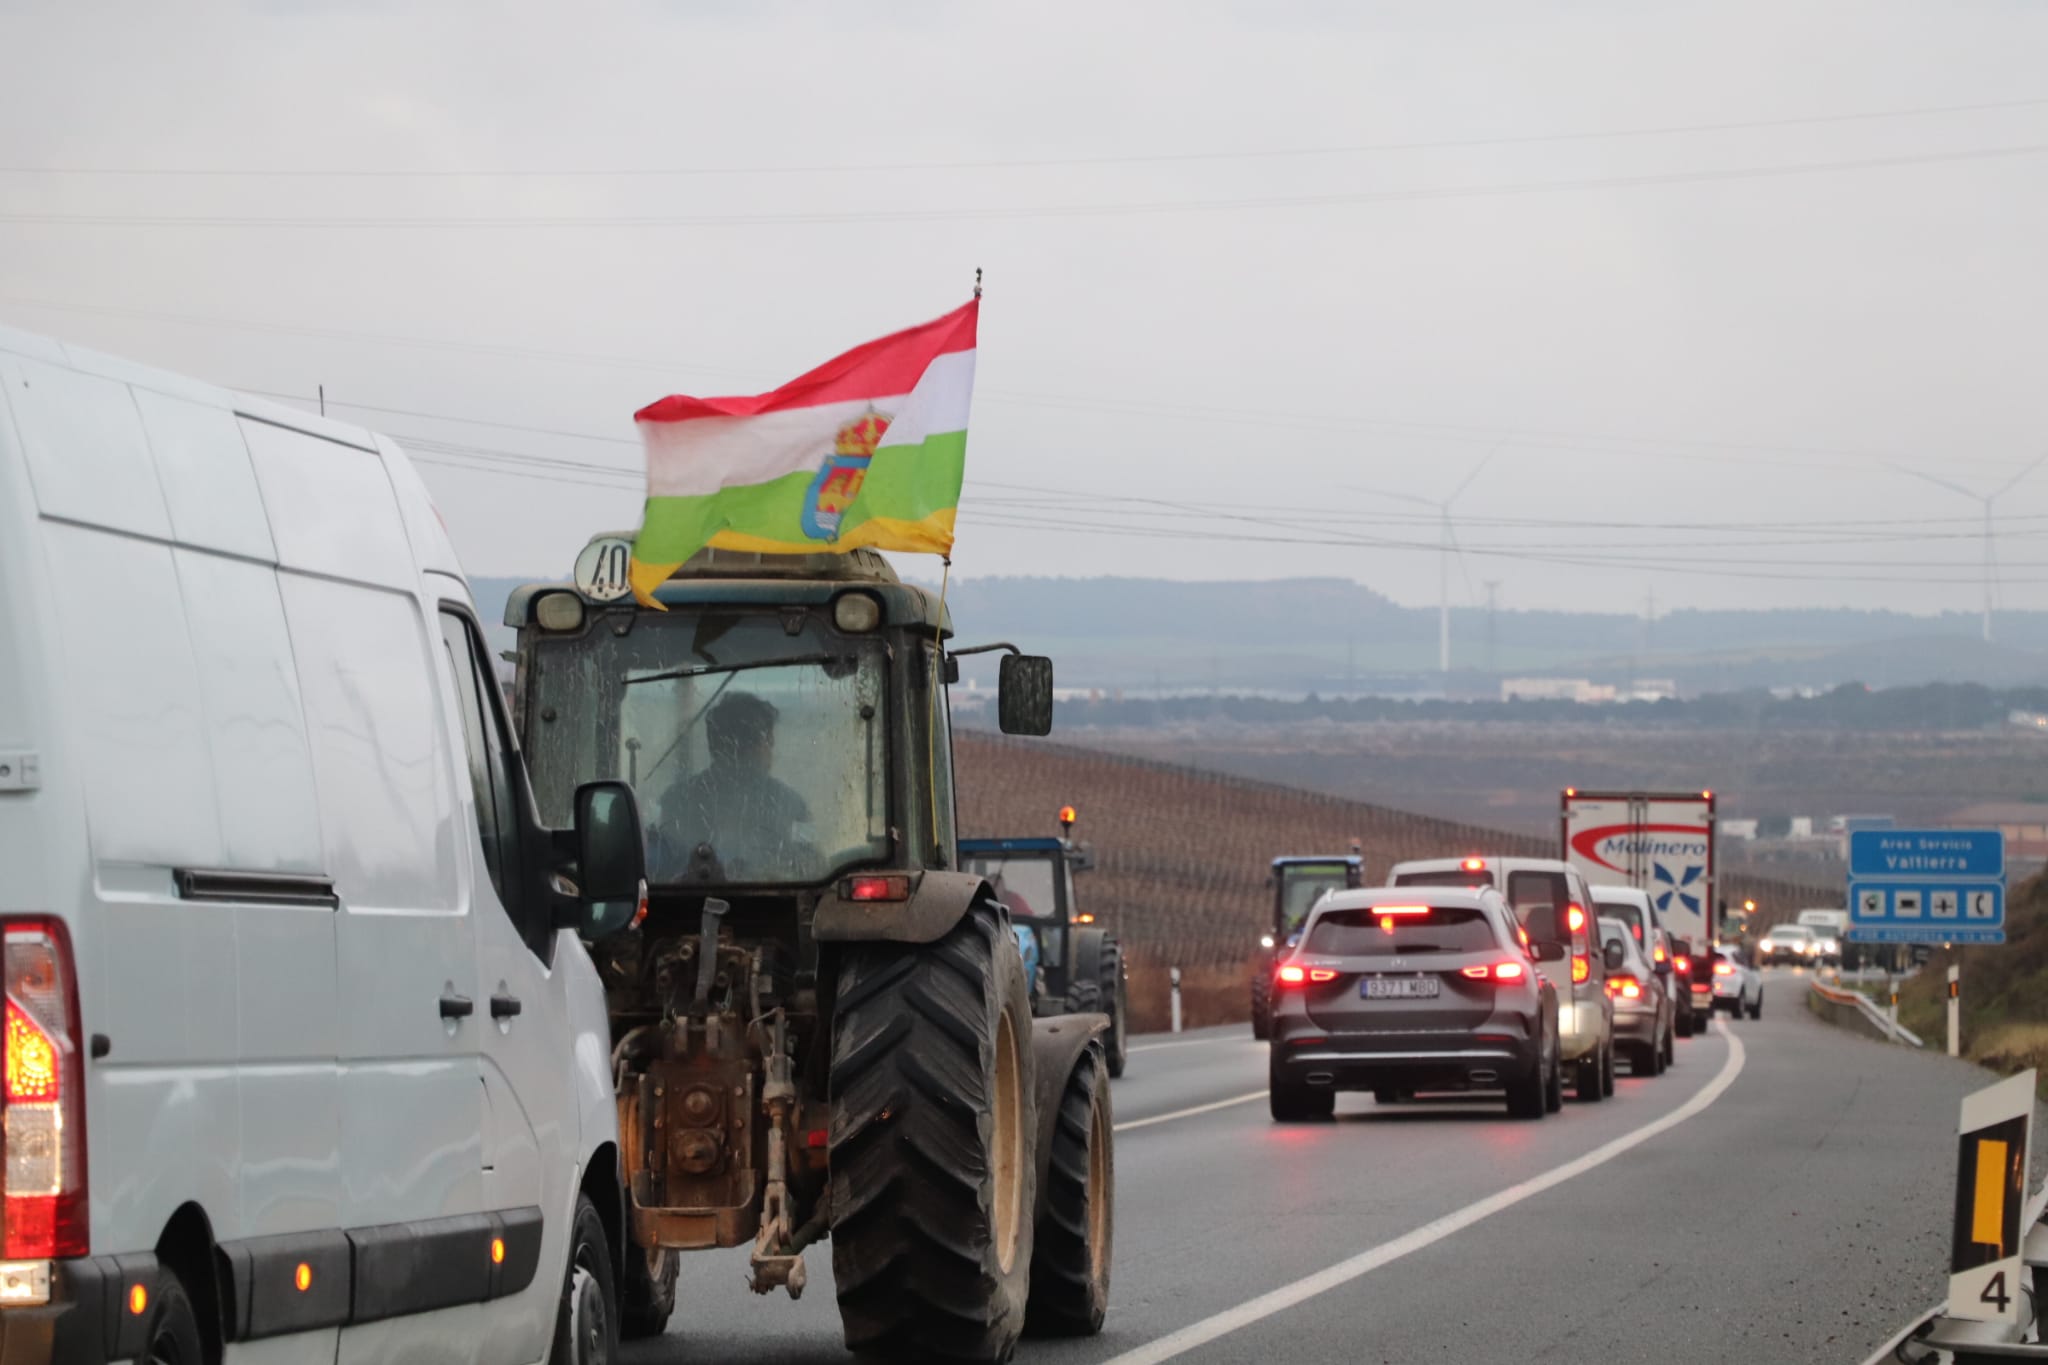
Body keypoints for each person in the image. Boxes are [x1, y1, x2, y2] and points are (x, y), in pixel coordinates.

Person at [656, 691, 811, 877]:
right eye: (765, 739)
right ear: (727, 745)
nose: (771, 747)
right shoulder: (788, 802)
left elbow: (811, 868)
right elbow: (659, 874)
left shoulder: (676, 798)